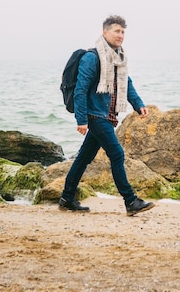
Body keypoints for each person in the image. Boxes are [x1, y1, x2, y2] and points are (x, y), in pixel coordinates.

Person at [59, 15, 155, 216]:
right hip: (95, 116)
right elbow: (81, 90)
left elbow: (126, 84)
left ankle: (67, 198)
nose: (120, 35)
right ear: (105, 32)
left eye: (123, 32)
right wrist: (82, 120)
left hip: (107, 115)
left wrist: (139, 105)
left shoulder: (118, 58)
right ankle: (130, 201)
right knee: (117, 154)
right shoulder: (92, 58)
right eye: (116, 31)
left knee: (84, 157)